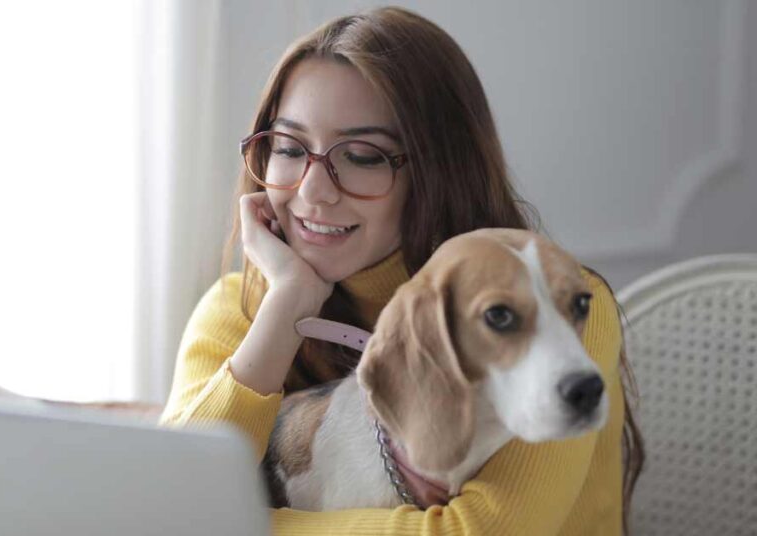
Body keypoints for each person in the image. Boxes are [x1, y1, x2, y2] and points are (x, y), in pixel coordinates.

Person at [159, 6, 643, 535]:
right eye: (290, 148)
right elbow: (160, 503)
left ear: (439, 170)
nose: (313, 190)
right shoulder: (239, 309)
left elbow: (479, 532)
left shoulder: (567, 305)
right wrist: (287, 306)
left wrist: (230, 525)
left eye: (363, 156)